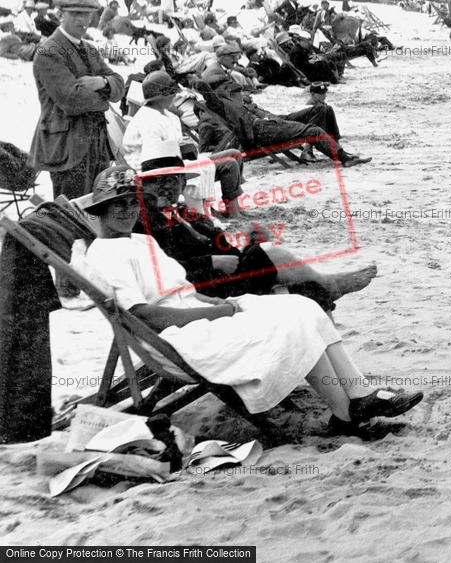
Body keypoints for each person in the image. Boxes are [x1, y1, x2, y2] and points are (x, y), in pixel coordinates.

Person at [84, 165, 423, 439]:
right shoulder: (106, 254)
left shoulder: (142, 241)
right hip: (178, 336)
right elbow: (144, 315)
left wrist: (225, 303)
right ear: (101, 209)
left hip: (197, 313)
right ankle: (346, 414)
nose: (128, 211)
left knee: (303, 308)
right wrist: (220, 311)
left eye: (132, 202)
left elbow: (180, 288)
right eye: (119, 204)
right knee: (290, 322)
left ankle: (358, 398)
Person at [135, 149, 378, 306]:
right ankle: (330, 284)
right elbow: (158, 269)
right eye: (158, 181)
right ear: (144, 186)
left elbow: (213, 240)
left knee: (303, 284)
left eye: (174, 179)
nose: (167, 186)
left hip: (224, 274)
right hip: (202, 289)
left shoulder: (183, 212)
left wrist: (239, 242)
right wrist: (211, 262)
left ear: (182, 183)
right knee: (273, 256)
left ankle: (324, 294)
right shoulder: (144, 220)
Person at [29, 0, 125, 199]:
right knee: (73, 213)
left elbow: (119, 84)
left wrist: (102, 82)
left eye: (87, 15)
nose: (83, 20)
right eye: (76, 14)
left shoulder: (90, 49)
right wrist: (105, 98)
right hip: (67, 146)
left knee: (98, 208)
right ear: (61, 14)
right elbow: (71, 100)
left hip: (97, 143)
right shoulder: (48, 51)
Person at [122, 71, 247, 218]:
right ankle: (232, 212)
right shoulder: (149, 120)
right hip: (154, 171)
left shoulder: (166, 114)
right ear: (161, 97)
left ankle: (234, 207)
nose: (174, 96)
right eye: (171, 94)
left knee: (234, 154)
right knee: (229, 164)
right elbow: (154, 159)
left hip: (174, 161)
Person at [196, 79, 372, 168]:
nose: (235, 91)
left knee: (323, 109)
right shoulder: (220, 104)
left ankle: (339, 149)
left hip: (273, 120)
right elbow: (209, 95)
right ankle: (344, 158)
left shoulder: (234, 102)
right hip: (263, 130)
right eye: (231, 89)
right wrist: (197, 83)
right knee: (314, 131)